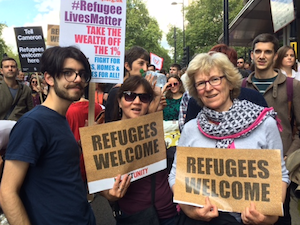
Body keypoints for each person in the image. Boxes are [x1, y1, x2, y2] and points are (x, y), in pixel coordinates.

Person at [169, 52, 289, 224]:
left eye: (215, 79)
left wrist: (269, 217)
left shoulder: (264, 123)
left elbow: (281, 175)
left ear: (230, 82)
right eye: (201, 83)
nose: (209, 88)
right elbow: (175, 175)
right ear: (196, 91)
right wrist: (190, 211)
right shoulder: (190, 129)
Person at [0, 46, 96, 224]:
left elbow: (55, 163)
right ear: (49, 78)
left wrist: (81, 145)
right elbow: (7, 192)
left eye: (82, 74)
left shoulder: (60, 118)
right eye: (68, 73)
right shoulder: (32, 123)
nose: (78, 79)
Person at [101, 75, 178, 224]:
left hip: (169, 213)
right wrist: (110, 195)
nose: (137, 101)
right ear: (119, 101)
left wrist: (156, 97)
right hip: (135, 217)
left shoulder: (154, 128)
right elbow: (100, 184)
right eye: (130, 96)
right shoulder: (108, 137)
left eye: (144, 97)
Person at [243, 33, 300, 225]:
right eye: (258, 51)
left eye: (267, 52)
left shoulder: (293, 86)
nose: (262, 56)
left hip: (280, 168)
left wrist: (288, 156)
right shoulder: (240, 87)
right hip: (247, 169)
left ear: (275, 56)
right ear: (251, 55)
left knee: (279, 217)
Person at [105, 46, 162, 123]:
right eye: (129, 96)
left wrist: (156, 101)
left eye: (144, 97)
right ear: (127, 66)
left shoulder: (149, 89)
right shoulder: (116, 91)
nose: (145, 69)